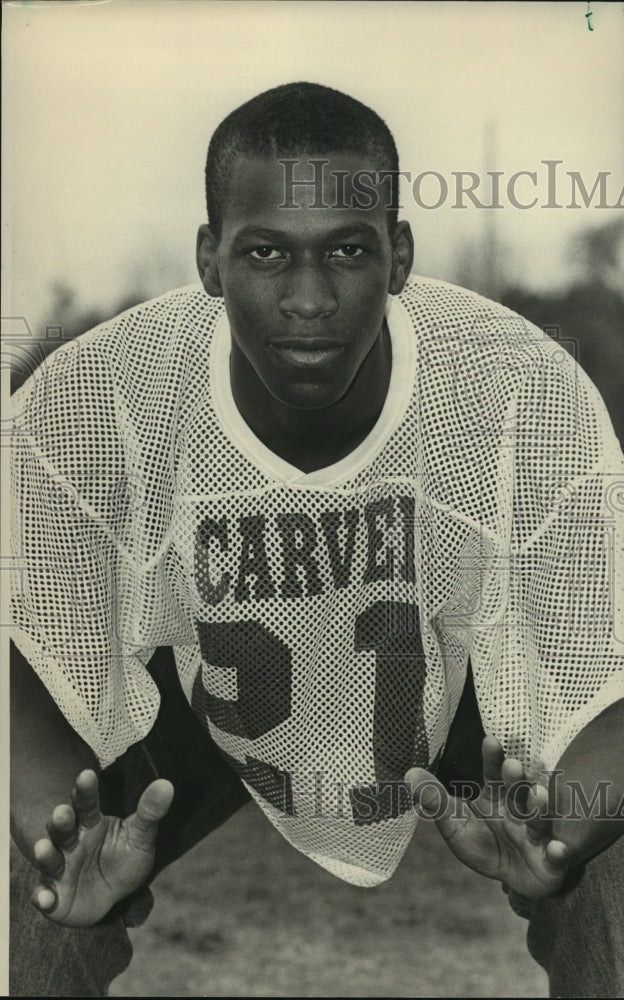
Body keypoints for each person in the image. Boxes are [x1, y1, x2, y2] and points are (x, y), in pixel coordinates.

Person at [9, 82, 624, 997]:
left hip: (447, 698)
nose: (308, 299)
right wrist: (51, 825)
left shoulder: (518, 386)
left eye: (347, 249)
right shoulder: (96, 401)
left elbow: (609, 672)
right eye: (265, 253)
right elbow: (20, 653)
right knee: (36, 870)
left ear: (400, 255)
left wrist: (567, 830)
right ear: (209, 260)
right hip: (204, 704)